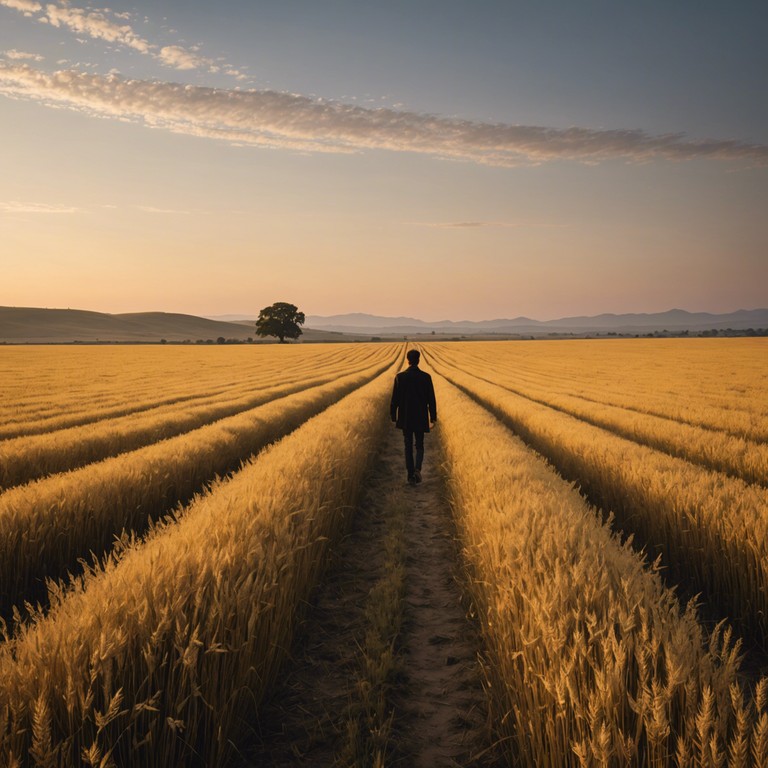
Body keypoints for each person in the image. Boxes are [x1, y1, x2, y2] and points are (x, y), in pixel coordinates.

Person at [390, 348, 437, 485]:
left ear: (408, 360)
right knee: (420, 444)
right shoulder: (426, 377)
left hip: (405, 417)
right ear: (419, 360)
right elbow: (431, 399)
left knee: (408, 445)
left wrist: (394, 416)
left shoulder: (400, 377)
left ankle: (410, 475)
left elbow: (395, 399)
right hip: (421, 417)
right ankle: (417, 469)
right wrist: (432, 417)